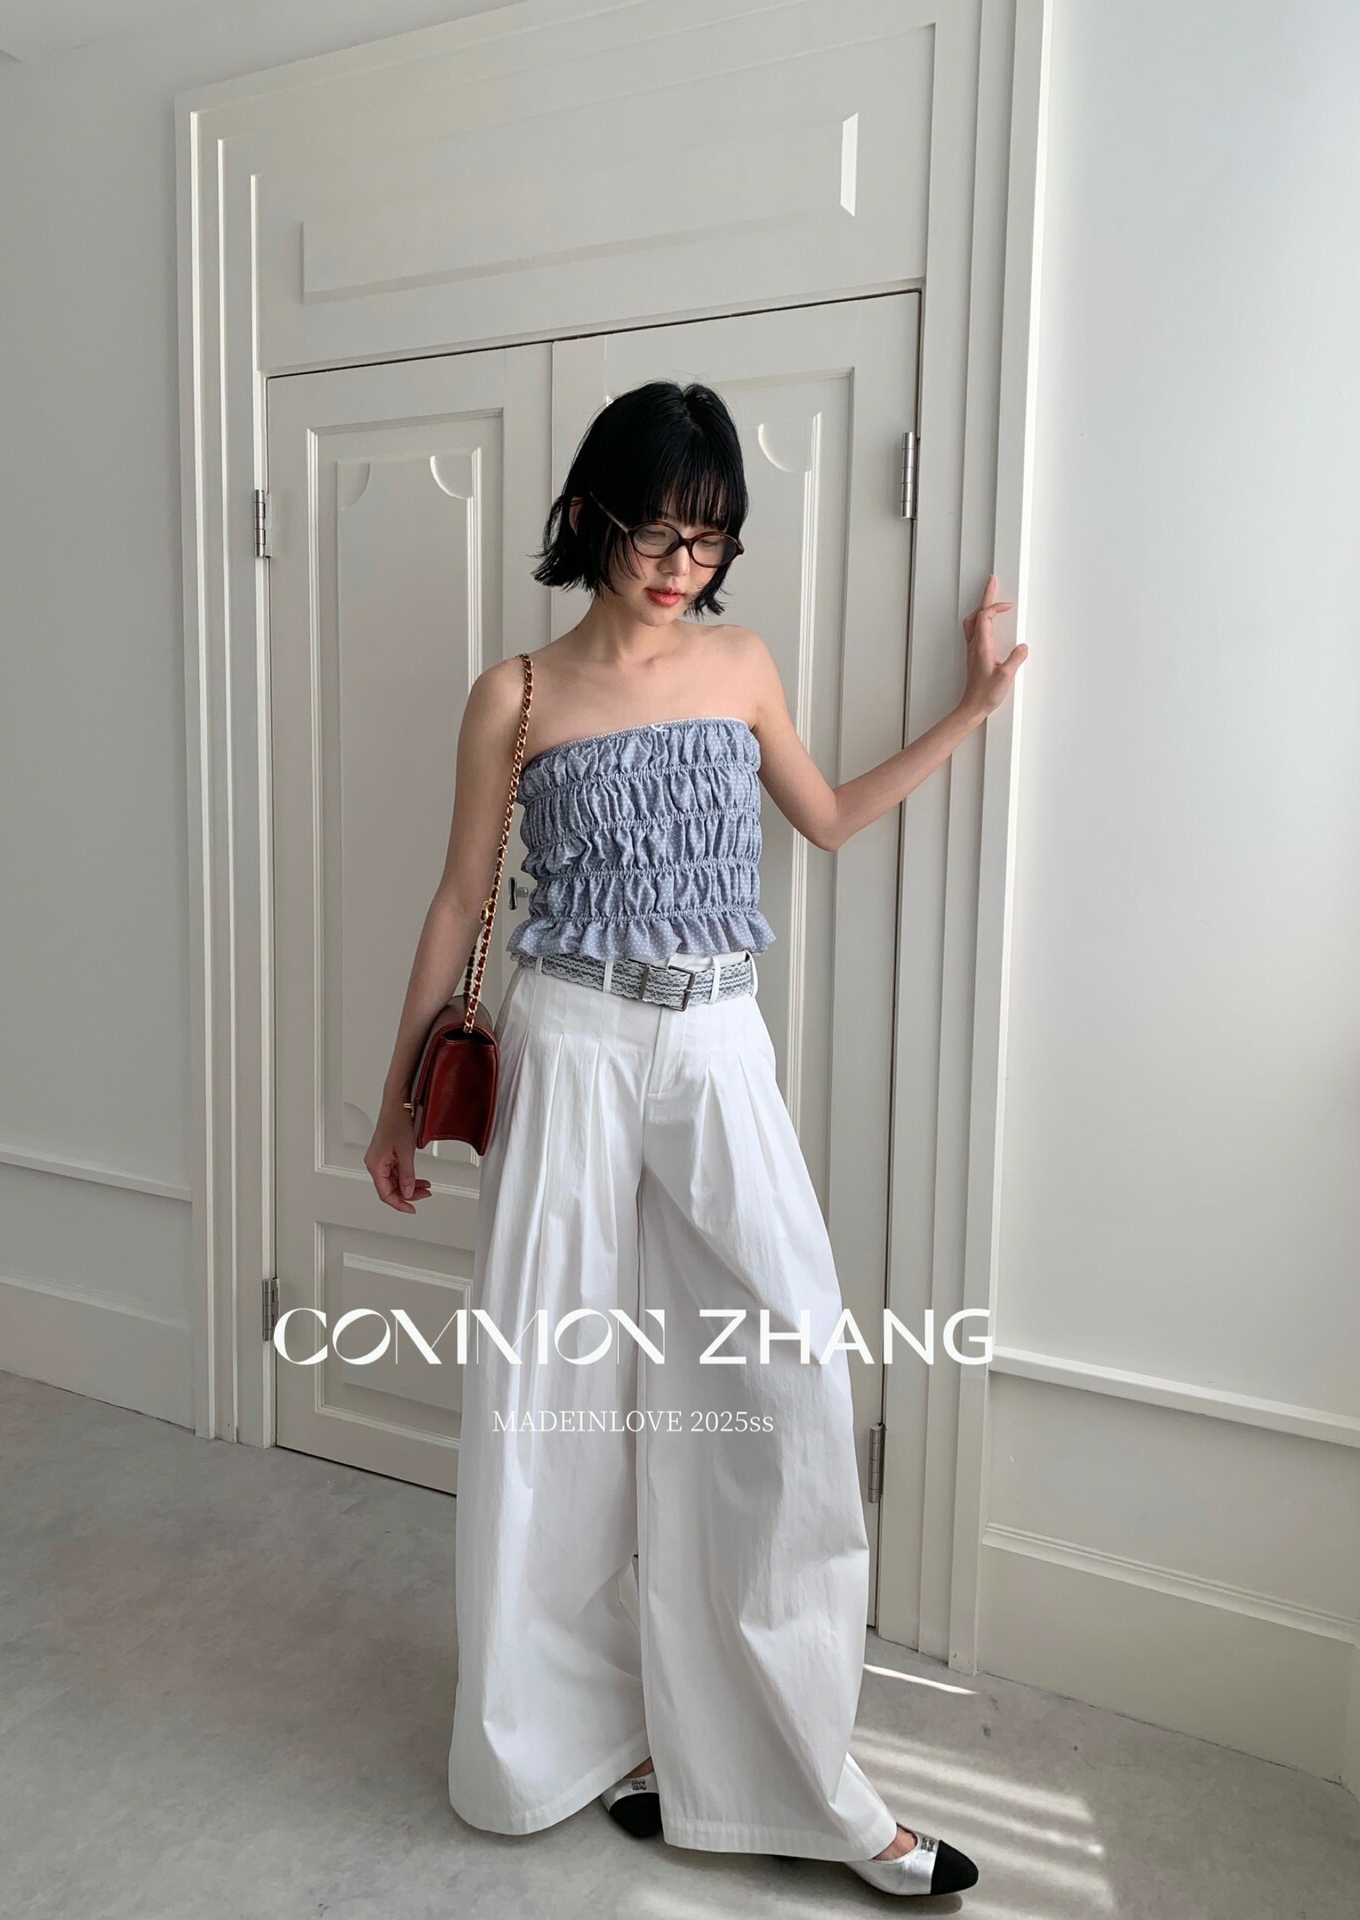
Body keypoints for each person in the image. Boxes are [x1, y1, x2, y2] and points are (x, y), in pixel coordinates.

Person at [365, 381, 1026, 1898]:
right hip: (571, 1043)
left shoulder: (741, 664)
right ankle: (567, 1744)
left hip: (719, 1040)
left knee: (787, 1378)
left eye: (710, 541)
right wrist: (399, 1098)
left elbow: (829, 818)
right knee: (550, 1396)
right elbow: (460, 899)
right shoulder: (515, 694)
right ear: (589, 518)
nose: (684, 568)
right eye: (660, 535)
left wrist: (975, 712)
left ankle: (799, 1778)